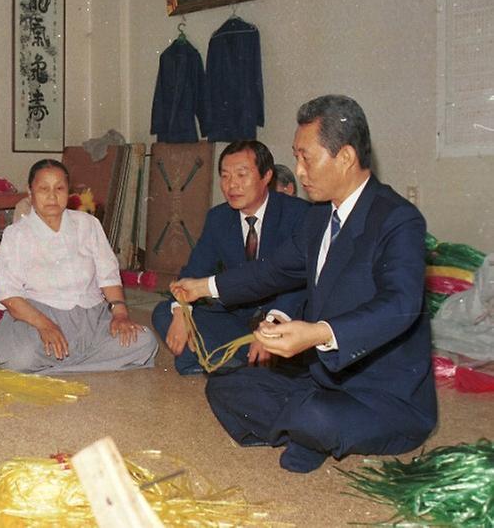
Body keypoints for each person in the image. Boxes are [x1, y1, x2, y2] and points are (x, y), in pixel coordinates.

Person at [171, 95, 437, 473]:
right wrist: (204, 288)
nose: (297, 170)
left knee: (316, 415)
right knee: (225, 386)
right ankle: (307, 430)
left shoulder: (398, 219)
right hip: (322, 380)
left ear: (344, 157)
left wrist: (318, 333)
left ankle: (310, 429)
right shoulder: (317, 220)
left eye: (305, 158)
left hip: (383, 396)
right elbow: (270, 272)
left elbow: (401, 304)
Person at [0, 159, 158, 374]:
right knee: (20, 357)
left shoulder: (88, 224)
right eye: (43, 189)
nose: (52, 196)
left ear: (69, 192)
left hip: (91, 318)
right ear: (30, 193)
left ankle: (56, 366)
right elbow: (10, 296)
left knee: (145, 342)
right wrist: (46, 326)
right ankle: (76, 363)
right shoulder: (16, 234)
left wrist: (120, 314)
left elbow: (108, 274)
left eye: (59, 188)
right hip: (37, 319)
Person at [151, 141, 309, 375]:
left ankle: (225, 364)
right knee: (164, 312)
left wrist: (273, 325)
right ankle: (241, 365)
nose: (231, 185)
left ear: (266, 176)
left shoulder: (299, 214)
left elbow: (299, 282)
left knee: (297, 343)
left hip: (281, 315)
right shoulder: (218, 217)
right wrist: (181, 313)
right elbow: (195, 270)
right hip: (238, 316)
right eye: (225, 176)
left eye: (241, 175)